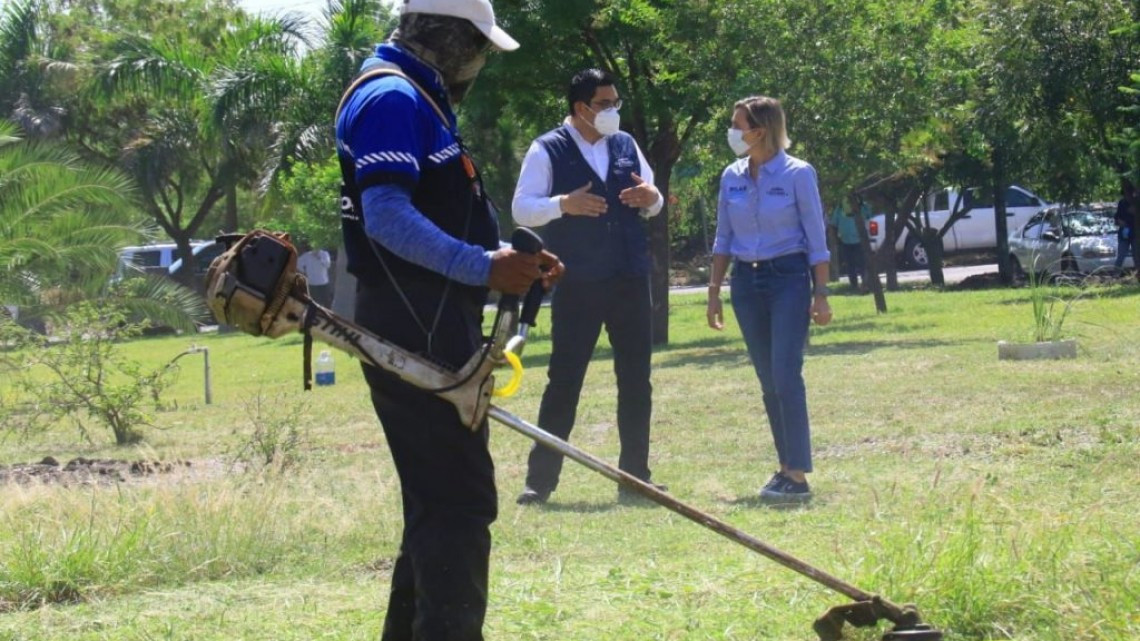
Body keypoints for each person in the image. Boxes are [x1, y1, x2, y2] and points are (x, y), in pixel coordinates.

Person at [333, 1, 563, 639]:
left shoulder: (415, 97)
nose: (482, 62)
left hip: (427, 321)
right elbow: (386, 215)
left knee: (437, 505)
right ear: (453, 40)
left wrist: (512, 262)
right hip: (415, 325)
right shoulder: (392, 97)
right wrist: (483, 266)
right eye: (481, 48)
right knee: (460, 503)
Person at [511, 68, 666, 506]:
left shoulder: (626, 144)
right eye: (605, 104)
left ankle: (635, 478)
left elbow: (653, 198)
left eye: (616, 102)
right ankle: (540, 482)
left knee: (636, 380)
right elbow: (522, 209)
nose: (613, 110)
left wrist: (649, 199)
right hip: (578, 280)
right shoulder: (547, 148)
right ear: (581, 108)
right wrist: (564, 204)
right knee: (564, 381)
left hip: (630, 277)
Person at [705, 96, 832, 505]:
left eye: (737, 124)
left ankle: (797, 474)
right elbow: (723, 238)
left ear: (759, 129)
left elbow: (816, 239)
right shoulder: (731, 176)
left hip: (788, 279)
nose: (732, 131)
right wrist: (714, 291)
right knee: (767, 379)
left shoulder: (798, 174)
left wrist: (822, 294)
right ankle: (785, 467)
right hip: (746, 283)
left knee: (785, 374)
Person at [828, 196, 868, 291]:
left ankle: (861, 284)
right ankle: (857, 284)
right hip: (848, 241)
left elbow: (833, 224)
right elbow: (833, 225)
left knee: (854, 264)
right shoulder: (841, 208)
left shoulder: (861, 207)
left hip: (852, 240)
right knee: (857, 264)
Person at [1115, 186, 1135, 270]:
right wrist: (1119, 221)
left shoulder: (1136, 203)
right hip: (1124, 234)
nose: (1127, 196)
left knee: (1137, 256)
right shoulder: (1121, 203)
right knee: (1121, 256)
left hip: (1135, 234)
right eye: (1125, 194)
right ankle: (1115, 274)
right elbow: (1116, 217)